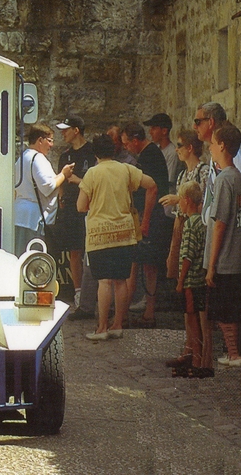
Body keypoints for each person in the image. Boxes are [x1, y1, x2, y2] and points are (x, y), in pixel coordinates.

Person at [77, 134, 157, 341]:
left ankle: (102, 327)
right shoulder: (126, 169)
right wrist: (145, 216)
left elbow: (80, 206)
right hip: (124, 233)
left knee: (104, 282)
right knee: (121, 281)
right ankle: (118, 324)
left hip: (99, 235)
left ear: (95, 153)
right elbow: (151, 184)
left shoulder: (92, 174)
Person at [204, 123, 241, 369]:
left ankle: (233, 353)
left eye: (212, 143)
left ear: (222, 145)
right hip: (238, 256)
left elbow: (219, 223)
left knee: (224, 311)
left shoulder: (224, 180)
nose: (210, 147)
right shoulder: (240, 179)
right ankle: (234, 352)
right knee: (233, 309)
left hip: (225, 258)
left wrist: (211, 265)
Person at [121, 121, 170, 328]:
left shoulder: (150, 155)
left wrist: (146, 220)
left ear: (134, 140)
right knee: (141, 265)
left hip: (151, 216)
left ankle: (142, 313)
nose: (125, 148)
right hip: (147, 215)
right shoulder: (148, 154)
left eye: (126, 143)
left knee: (143, 265)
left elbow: (153, 190)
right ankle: (135, 313)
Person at [168, 180, 212, 378]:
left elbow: (187, 255)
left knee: (192, 319)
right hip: (199, 279)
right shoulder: (201, 222)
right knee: (196, 319)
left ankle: (195, 359)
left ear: (186, 200)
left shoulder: (190, 224)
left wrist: (180, 280)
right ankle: (197, 357)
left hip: (191, 281)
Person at [55, 115, 95, 316]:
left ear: (76, 130)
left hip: (89, 209)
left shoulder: (92, 152)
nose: (63, 133)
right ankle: (78, 293)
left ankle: (92, 297)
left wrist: (75, 179)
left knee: (90, 253)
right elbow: (60, 181)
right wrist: (62, 198)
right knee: (74, 252)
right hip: (70, 209)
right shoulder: (65, 155)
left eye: (66, 129)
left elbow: (94, 183)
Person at [13, 124, 74, 256]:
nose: (51, 145)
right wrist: (64, 174)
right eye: (50, 140)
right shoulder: (38, 158)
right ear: (40, 140)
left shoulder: (23, 158)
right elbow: (48, 186)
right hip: (34, 220)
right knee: (35, 263)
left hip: (20, 216)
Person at [159, 130, 209, 280]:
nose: (176, 149)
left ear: (190, 148)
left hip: (195, 229)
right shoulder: (182, 174)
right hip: (181, 226)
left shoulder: (203, 172)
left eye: (180, 145)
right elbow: (178, 214)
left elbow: (205, 203)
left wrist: (178, 198)